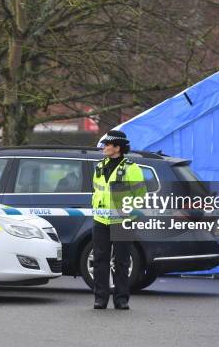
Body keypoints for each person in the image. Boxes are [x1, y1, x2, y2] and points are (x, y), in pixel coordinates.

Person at [92, 129, 145, 310]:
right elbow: (97, 191)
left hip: (123, 221)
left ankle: (121, 299)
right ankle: (100, 298)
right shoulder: (99, 166)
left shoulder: (132, 169)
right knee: (100, 260)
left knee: (121, 261)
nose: (104, 147)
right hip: (100, 220)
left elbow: (140, 196)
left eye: (107, 144)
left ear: (118, 147)